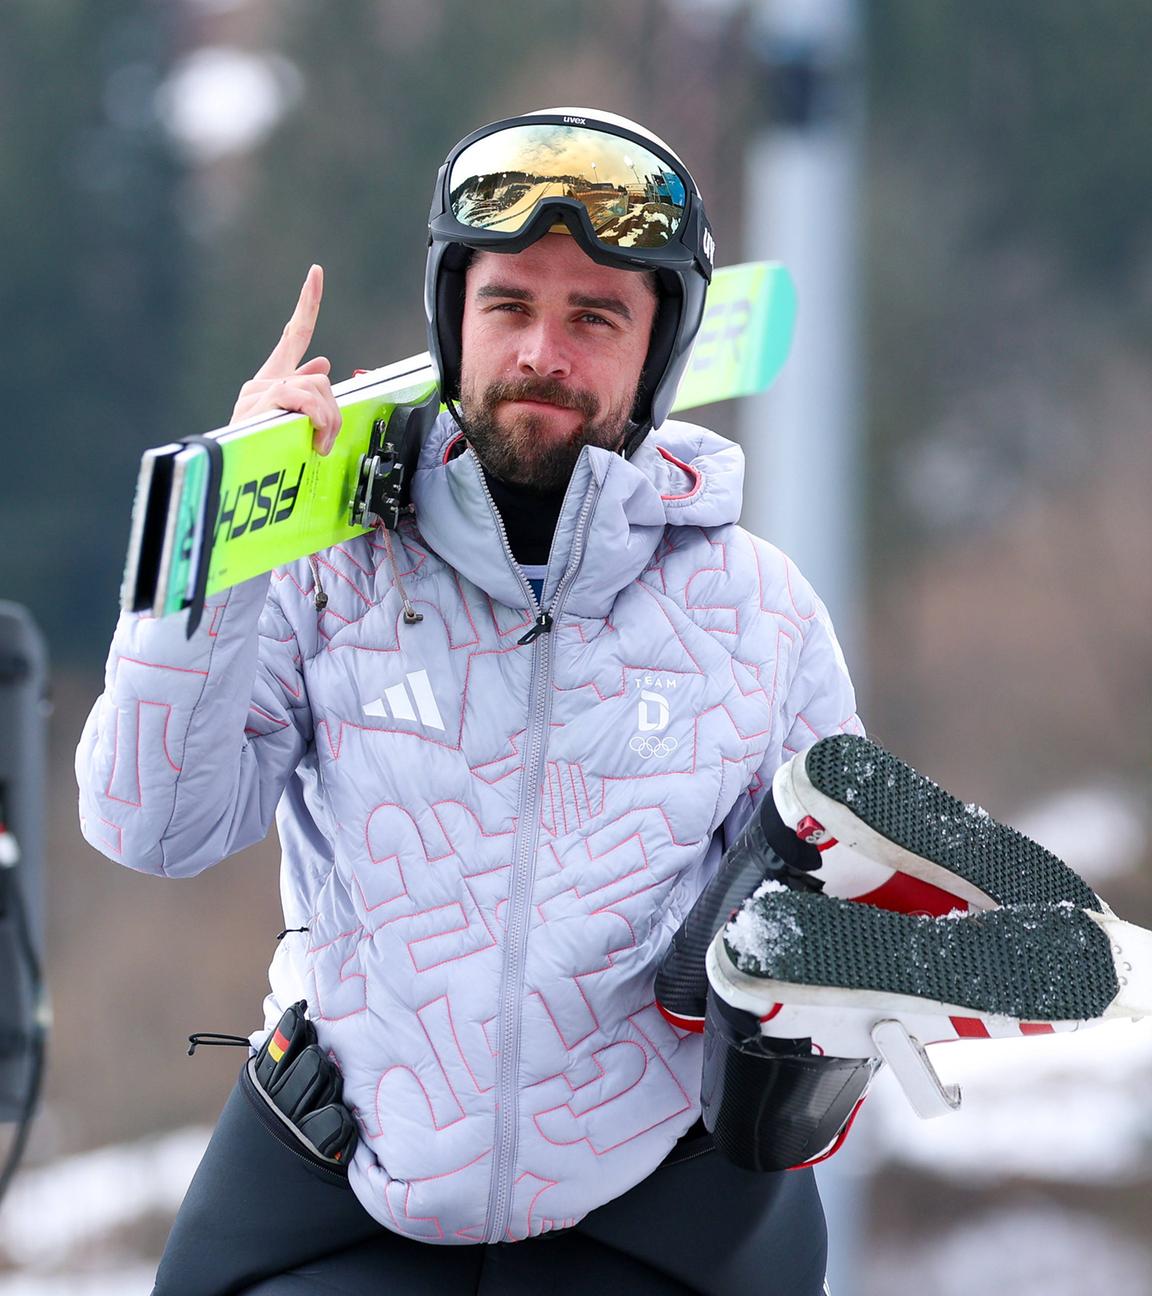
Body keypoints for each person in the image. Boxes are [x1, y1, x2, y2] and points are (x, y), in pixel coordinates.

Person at [77, 107, 860, 1295]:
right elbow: (151, 823)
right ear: (455, 320)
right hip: (345, 1200)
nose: (542, 351)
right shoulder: (329, 572)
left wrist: (782, 986)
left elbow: (844, 903)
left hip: (650, 1220)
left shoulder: (759, 611)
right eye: (509, 307)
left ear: (659, 351)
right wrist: (222, 548)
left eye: (594, 316)